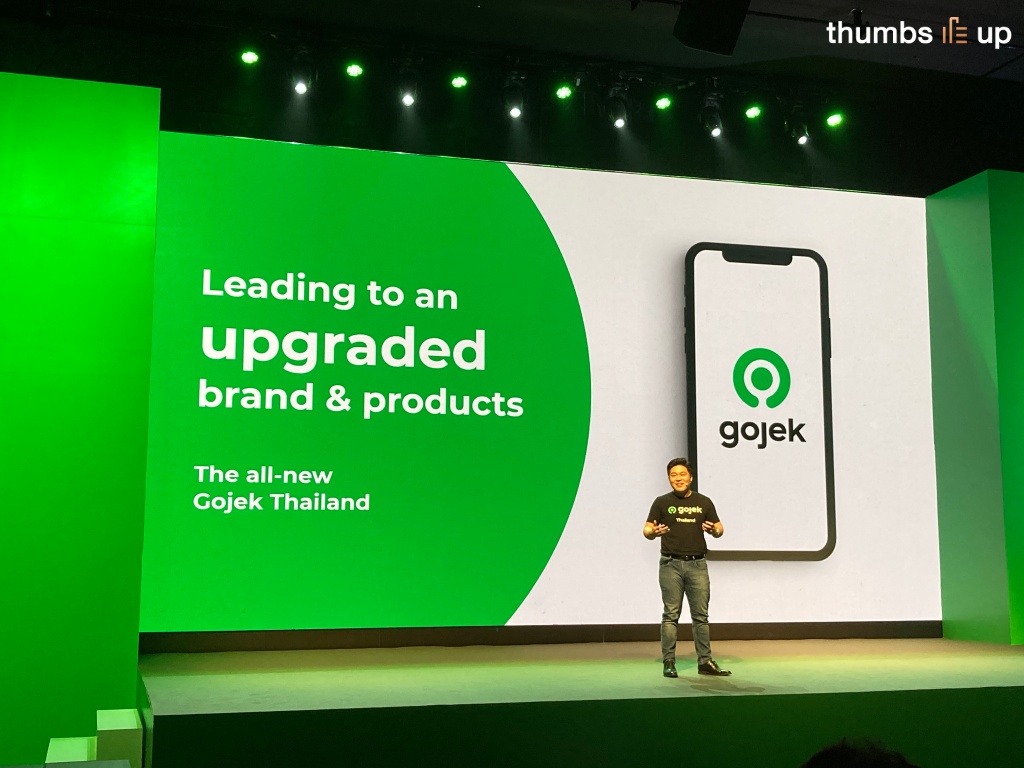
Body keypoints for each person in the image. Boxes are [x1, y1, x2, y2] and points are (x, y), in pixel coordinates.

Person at [643, 457, 731, 678]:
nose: (678, 479)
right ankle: (669, 661)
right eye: (673, 475)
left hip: (697, 564)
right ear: (669, 479)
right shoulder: (661, 502)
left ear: (690, 477)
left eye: (682, 474)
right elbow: (647, 530)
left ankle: (705, 661)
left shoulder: (704, 502)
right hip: (670, 564)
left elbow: (719, 529)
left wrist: (713, 530)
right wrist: (653, 532)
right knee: (670, 614)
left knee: (700, 616)